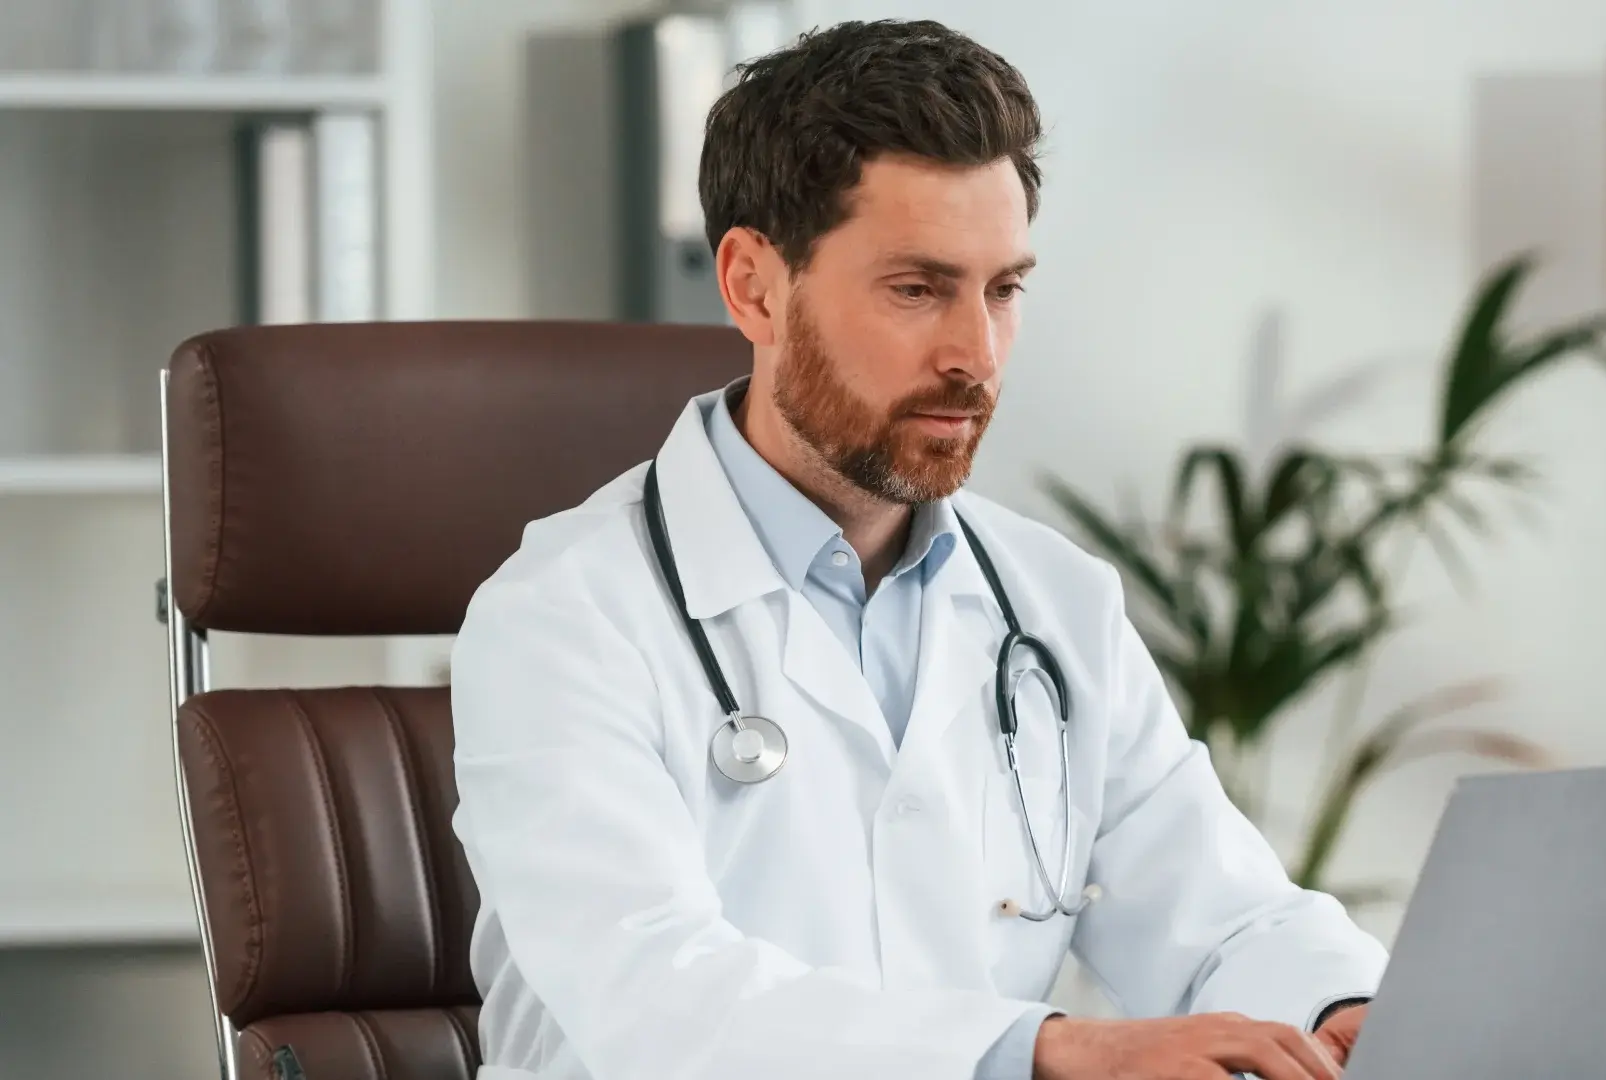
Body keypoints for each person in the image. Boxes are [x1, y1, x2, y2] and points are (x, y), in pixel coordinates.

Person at [449, 18, 1386, 1080]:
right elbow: (656, 997)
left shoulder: (1054, 603)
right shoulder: (564, 618)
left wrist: (1344, 1007)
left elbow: (1223, 917)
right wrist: (1040, 1051)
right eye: (917, 289)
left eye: (1004, 289)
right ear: (755, 285)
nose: (975, 357)